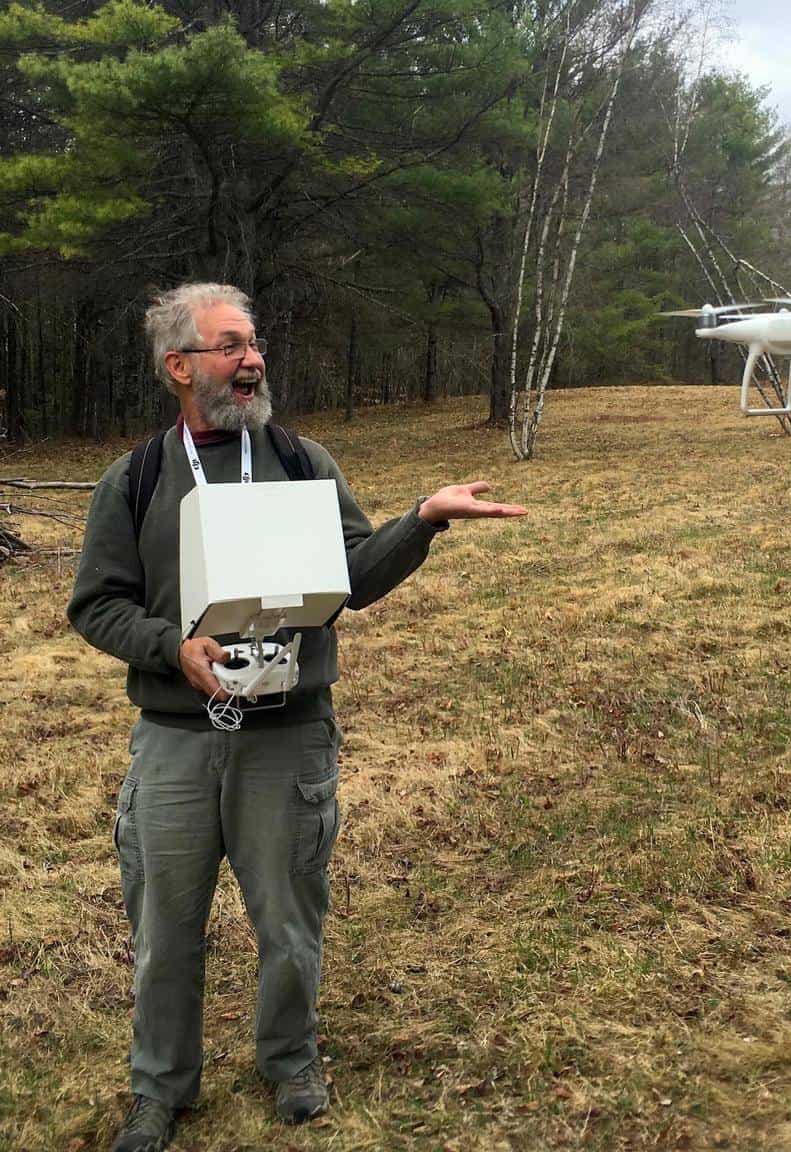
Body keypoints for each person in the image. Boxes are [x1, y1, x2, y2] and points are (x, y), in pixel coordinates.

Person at [67, 282, 527, 1152]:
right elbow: (95, 605)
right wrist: (174, 648)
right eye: (231, 345)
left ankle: (290, 1063)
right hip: (174, 743)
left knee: (287, 922)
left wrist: (422, 521)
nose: (253, 359)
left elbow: (353, 578)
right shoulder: (136, 479)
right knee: (165, 932)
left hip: (289, 738)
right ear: (180, 366)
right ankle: (162, 1089)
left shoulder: (302, 459)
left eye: (255, 343)